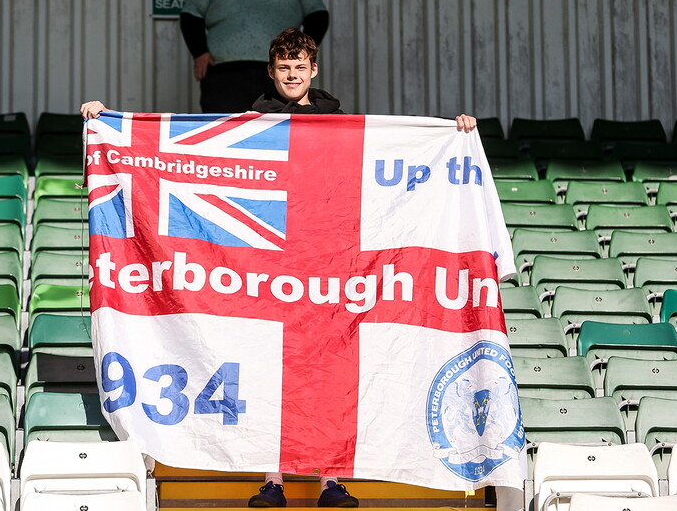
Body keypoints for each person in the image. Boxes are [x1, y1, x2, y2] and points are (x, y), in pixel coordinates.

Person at [78, 28, 478, 509]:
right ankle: (274, 482)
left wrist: (454, 131)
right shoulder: (251, 122)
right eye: (283, 69)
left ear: (314, 70)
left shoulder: (341, 123)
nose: (292, 75)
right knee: (268, 373)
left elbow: (391, 160)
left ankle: (332, 482)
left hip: (331, 266)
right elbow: (184, 145)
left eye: (300, 67)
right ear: (272, 73)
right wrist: (109, 121)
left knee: (331, 375)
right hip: (268, 268)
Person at [179, 0, 330, 113]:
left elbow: (318, 15)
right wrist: (199, 52)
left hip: (278, 72)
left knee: (277, 128)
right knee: (224, 130)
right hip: (223, 74)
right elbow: (190, 16)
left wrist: (301, 52)